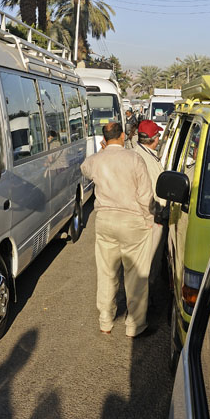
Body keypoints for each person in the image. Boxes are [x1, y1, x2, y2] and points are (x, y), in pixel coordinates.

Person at [81, 121, 154, 337]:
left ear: (105, 138)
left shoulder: (96, 160)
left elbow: (84, 169)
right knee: (136, 275)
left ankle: (106, 320)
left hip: (105, 220)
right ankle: (134, 325)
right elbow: (145, 195)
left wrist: (102, 151)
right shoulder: (134, 158)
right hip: (132, 222)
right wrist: (149, 219)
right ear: (122, 135)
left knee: (106, 272)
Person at [132, 120, 167, 289]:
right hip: (152, 217)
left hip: (140, 216)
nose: (159, 139)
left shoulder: (137, 153)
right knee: (150, 262)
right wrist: (159, 214)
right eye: (158, 135)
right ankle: (146, 299)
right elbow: (154, 193)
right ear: (154, 139)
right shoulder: (146, 160)